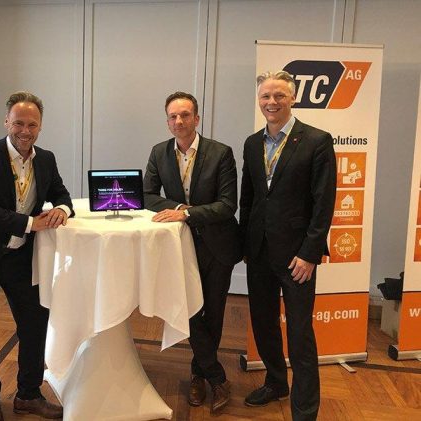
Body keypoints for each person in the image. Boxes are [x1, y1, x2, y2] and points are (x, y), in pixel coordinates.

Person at [0, 91, 72, 421]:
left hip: (22, 258)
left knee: (35, 325)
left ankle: (28, 394)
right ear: (6, 121)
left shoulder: (46, 159)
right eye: (18, 123)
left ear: (40, 126)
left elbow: (62, 194)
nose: (25, 130)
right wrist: (31, 223)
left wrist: (62, 210)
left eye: (32, 124)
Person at [239, 70, 336, 421]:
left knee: (299, 334)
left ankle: (305, 411)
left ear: (293, 98)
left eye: (279, 95)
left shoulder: (317, 140)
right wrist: (245, 244)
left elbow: (324, 202)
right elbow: (248, 198)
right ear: (259, 100)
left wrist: (310, 253)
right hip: (259, 253)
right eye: (266, 96)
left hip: (298, 257)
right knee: (263, 324)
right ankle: (276, 382)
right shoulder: (252, 143)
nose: (272, 102)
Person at [143, 91, 242, 414]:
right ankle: (216, 377)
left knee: (212, 313)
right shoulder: (159, 152)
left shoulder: (220, 153)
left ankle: (198, 375)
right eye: (173, 116)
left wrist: (186, 213)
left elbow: (227, 205)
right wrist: (179, 208)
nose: (179, 121)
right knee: (188, 310)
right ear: (167, 121)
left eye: (185, 115)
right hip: (179, 245)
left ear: (197, 119)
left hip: (218, 244)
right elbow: (146, 194)